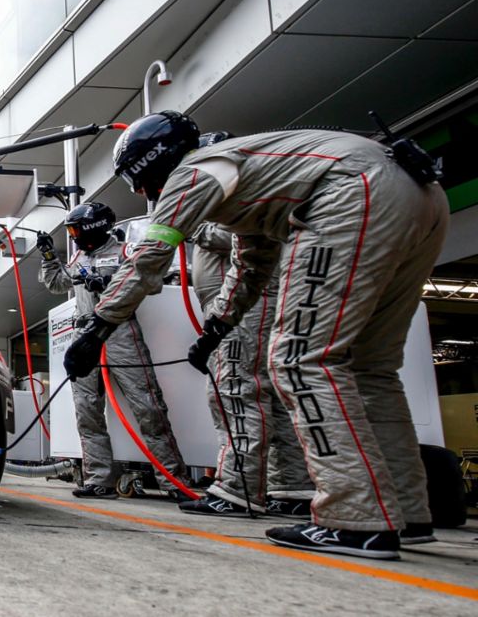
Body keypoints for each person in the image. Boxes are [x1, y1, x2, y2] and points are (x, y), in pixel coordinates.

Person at [65, 111, 446, 559]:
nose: (147, 195)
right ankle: (406, 512)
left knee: (300, 360)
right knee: (370, 369)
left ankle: (354, 517)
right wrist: (218, 328)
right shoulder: (247, 180)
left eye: (142, 184)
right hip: (420, 196)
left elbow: (150, 255)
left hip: (351, 195)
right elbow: (252, 264)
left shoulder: (196, 169)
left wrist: (98, 326)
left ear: (153, 166)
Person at [38, 202, 187, 499]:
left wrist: (107, 282)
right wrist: (48, 256)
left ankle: (173, 480)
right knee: (87, 410)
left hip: (120, 331)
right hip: (84, 334)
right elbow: (56, 283)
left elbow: (153, 280)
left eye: (76, 229)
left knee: (148, 406)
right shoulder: (79, 255)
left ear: (93, 227)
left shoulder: (125, 251)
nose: (74, 236)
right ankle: (99, 479)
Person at [179, 220, 315, 519]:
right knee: (273, 399)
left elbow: (254, 232)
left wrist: (198, 230)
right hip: (252, 302)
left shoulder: (227, 198)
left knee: (237, 392)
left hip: (242, 306)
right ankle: (293, 489)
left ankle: (237, 490)